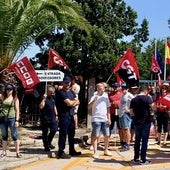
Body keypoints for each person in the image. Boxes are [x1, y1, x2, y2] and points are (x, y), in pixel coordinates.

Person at [55, 75, 81, 159]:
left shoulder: (71, 92)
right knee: (63, 134)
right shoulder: (61, 92)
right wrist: (73, 102)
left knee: (71, 133)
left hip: (71, 115)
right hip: (63, 115)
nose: (67, 84)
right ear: (63, 83)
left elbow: (78, 102)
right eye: (65, 82)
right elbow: (69, 103)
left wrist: (72, 103)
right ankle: (61, 151)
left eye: (68, 82)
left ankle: (71, 150)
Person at [130, 85, 154, 165]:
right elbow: (152, 108)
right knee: (144, 141)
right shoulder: (148, 98)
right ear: (146, 91)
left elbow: (131, 112)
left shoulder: (133, 99)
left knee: (137, 140)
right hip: (146, 122)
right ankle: (143, 159)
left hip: (137, 121)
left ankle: (136, 158)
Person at [88, 83, 112, 159]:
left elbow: (108, 108)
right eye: (101, 87)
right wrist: (94, 100)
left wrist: (109, 118)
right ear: (97, 88)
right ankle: (95, 152)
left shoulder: (105, 96)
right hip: (96, 118)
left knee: (107, 135)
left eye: (103, 87)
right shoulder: (94, 96)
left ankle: (106, 149)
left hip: (104, 118)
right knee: (96, 135)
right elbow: (88, 107)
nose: (103, 88)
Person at [0, 84, 21, 158]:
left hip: (12, 118)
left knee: (14, 135)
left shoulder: (15, 98)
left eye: (10, 89)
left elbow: (17, 110)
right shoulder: (3, 97)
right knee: (4, 135)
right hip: (3, 118)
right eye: (7, 89)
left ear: (13, 90)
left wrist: (17, 120)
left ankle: (17, 152)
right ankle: (4, 152)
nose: (8, 91)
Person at [39, 85, 58, 151]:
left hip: (52, 117)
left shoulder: (53, 98)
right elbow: (41, 106)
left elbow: (54, 106)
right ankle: (46, 146)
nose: (52, 94)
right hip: (45, 117)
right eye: (51, 93)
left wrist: (57, 115)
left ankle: (49, 142)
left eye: (53, 92)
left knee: (54, 129)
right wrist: (44, 98)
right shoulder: (43, 98)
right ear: (47, 92)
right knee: (45, 132)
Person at [118, 84, 134, 151]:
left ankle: (128, 144)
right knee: (123, 129)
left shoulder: (129, 95)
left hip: (126, 114)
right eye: (122, 88)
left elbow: (135, 101)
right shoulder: (123, 95)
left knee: (126, 129)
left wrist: (131, 110)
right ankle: (124, 143)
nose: (123, 90)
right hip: (121, 114)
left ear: (127, 89)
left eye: (124, 89)